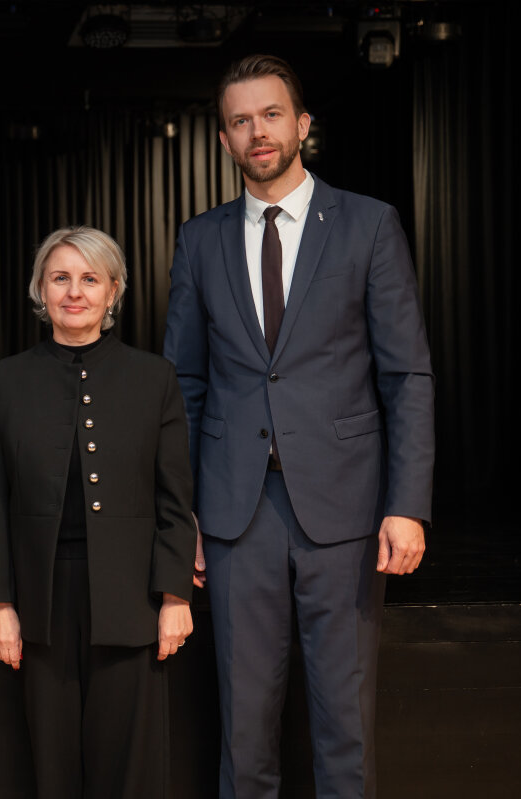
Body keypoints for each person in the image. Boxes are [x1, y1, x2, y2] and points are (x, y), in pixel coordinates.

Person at [163, 54, 435, 798]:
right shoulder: (199, 239)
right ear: (224, 139)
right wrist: (183, 512)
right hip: (234, 512)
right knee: (244, 730)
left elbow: (406, 375)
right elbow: (183, 385)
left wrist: (407, 504)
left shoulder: (369, 225)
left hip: (346, 509)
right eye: (241, 120)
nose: (258, 131)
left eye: (271, 114)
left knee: (345, 726)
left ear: (302, 124)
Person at [0, 226, 197, 798]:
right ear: (40, 290)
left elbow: (175, 499)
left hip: (132, 600)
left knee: (130, 773)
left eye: (90, 279)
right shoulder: (7, 379)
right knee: (52, 772)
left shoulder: (155, 378)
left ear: (113, 290)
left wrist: (176, 597)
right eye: (60, 278)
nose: (75, 292)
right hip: (40, 606)